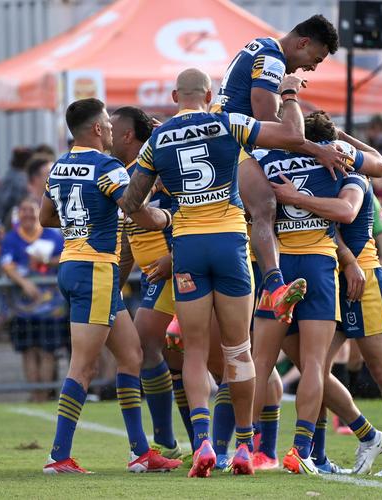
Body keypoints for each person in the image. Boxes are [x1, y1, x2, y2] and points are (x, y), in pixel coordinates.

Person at [122, 68, 309, 477]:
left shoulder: (157, 139)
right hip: (229, 243)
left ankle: (203, 441)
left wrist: (160, 217)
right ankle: (244, 445)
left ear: (174, 95)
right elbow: (292, 135)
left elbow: (130, 201)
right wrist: (290, 94)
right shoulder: (227, 121)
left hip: (187, 245)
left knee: (192, 350)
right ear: (210, 93)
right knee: (238, 349)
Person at [212, 14, 382, 326]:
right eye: (315, 59)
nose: (312, 68)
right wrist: (317, 148)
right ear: (303, 43)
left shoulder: (260, 50)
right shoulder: (273, 60)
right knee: (264, 207)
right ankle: (276, 286)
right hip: (231, 142)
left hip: (226, 139)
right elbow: (272, 123)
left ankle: (191, 308)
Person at [268, 112, 382, 477]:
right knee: (312, 366)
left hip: (363, 279)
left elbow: (349, 212)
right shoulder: (321, 172)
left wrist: (296, 196)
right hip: (329, 276)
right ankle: (331, 447)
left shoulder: (349, 173)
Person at [39, 98, 177, 474]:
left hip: (76, 265)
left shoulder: (59, 165)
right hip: (95, 271)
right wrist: (168, 218)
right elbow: (137, 211)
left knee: (131, 355)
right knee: (82, 368)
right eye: (108, 123)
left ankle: (141, 453)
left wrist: (80, 228)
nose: (112, 130)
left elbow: (44, 216)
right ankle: (58, 456)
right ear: (97, 129)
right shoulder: (106, 165)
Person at [110, 106, 189, 458]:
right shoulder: (126, 173)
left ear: (128, 135)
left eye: (111, 128)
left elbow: (191, 209)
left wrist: (173, 258)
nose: (104, 134)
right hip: (154, 274)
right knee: (176, 360)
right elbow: (128, 240)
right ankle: (197, 442)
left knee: (146, 345)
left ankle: (171, 442)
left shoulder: (160, 167)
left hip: (177, 267)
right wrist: (113, 284)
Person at [0, 196, 68, 402]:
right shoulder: (12, 238)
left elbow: (66, 255)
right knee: (28, 350)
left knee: (48, 350)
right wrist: (24, 283)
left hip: (51, 306)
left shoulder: (52, 236)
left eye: (32, 210)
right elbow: (6, 264)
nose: (28, 214)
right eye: (24, 210)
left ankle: (45, 394)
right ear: (18, 214)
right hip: (23, 307)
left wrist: (47, 260)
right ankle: (35, 394)